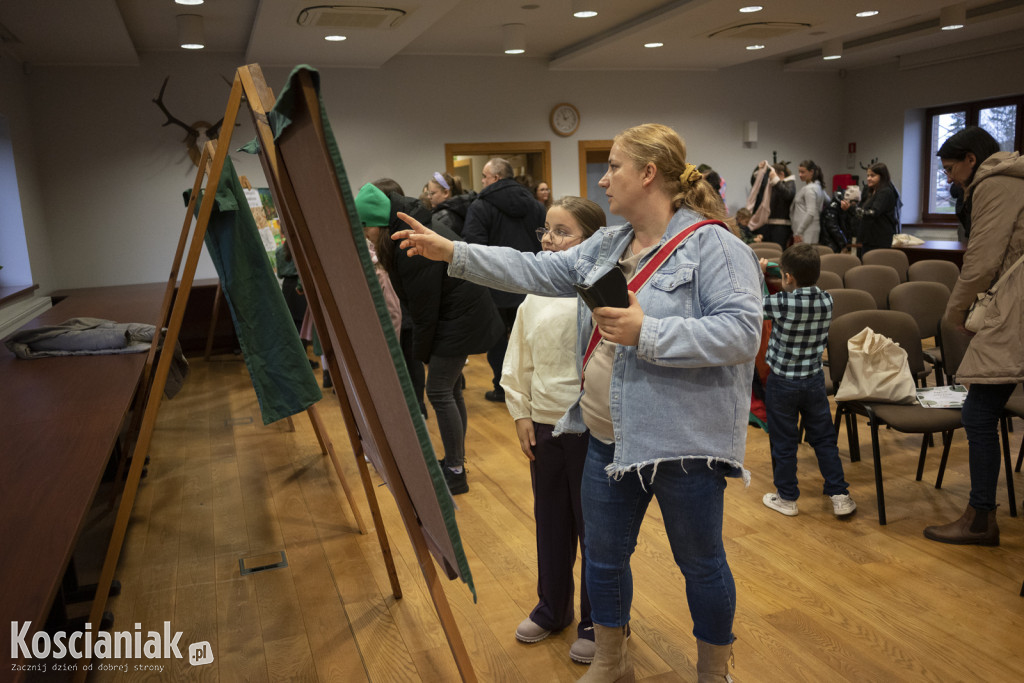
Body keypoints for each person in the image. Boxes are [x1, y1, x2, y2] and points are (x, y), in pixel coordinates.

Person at [393, 123, 763, 683]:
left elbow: (741, 335)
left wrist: (650, 332)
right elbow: (536, 270)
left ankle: (713, 670)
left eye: (614, 166)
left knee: (701, 564)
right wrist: (453, 252)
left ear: (648, 174)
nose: (604, 177)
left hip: (682, 444)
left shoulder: (716, 246)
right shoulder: (610, 243)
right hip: (605, 436)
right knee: (605, 560)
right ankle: (612, 659)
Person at [502, 196, 605, 665]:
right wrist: (521, 412)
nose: (547, 239)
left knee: (595, 530)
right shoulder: (537, 292)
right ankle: (553, 608)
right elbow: (518, 356)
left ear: (592, 240)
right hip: (544, 425)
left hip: (591, 428)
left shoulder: (601, 289)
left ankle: (597, 622)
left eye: (561, 232)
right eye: (546, 230)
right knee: (551, 522)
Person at [356, 181, 504, 495]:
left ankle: (455, 471)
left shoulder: (410, 245)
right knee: (449, 389)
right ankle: (455, 461)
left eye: (365, 228)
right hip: (459, 314)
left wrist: (421, 353)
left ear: (378, 224)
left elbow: (423, 310)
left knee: (438, 391)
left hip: (459, 318)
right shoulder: (406, 230)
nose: (365, 235)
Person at [924, 126, 1024, 546]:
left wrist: (955, 312)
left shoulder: (995, 183)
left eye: (950, 169)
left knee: (978, 413)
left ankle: (980, 518)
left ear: (970, 159)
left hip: (1015, 303)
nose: (949, 179)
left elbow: (983, 258)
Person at [758, 244, 857, 518]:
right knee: (824, 438)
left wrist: (761, 274)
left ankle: (787, 498)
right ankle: (840, 494)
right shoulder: (828, 300)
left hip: (782, 383)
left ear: (787, 277)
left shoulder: (781, 303)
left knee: (784, 441)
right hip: (814, 380)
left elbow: (755, 306)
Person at [463, 158, 547, 403]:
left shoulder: (480, 207)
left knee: (497, 340)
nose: (482, 182)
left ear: (496, 178)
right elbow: (545, 243)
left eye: (484, 176)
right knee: (530, 338)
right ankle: (531, 389)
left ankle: (502, 388)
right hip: (531, 284)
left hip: (495, 286)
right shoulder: (535, 205)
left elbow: (474, 247)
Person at [854, 162, 899, 255]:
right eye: (868, 175)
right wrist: (849, 208)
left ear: (882, 176)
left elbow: (873, 213)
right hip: (868, 239)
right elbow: (860, 211)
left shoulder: (885, 192)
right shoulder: (869, 191)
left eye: (872, 176)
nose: (868, 178)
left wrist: (852, 209)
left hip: (880, 239)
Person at [755, 161, 795, 249]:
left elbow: (788, 195)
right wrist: (759, 169)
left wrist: (776, 181)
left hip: (781, 227)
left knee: (778, 250)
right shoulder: (773, 185)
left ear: (781, 174)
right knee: (768, 251)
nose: (770, 178)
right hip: (769, 224)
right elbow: (756, 183)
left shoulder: (790, 183)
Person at [426, 171, 476, 236]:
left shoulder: (446, 218)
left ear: (446, 193)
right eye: (428, 193)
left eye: (432, 193)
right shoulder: (459, 209)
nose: (429, 197)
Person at [790, 160, 827, 244]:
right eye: (799, 172)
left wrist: (799, 232)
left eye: (803, 172)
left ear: (811, 172)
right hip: (811, 230)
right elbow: (828, 201)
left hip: (805, 232)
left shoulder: (809, 189)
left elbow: (810, 212)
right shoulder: (819, 188)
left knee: (803, 255)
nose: (800, 175)